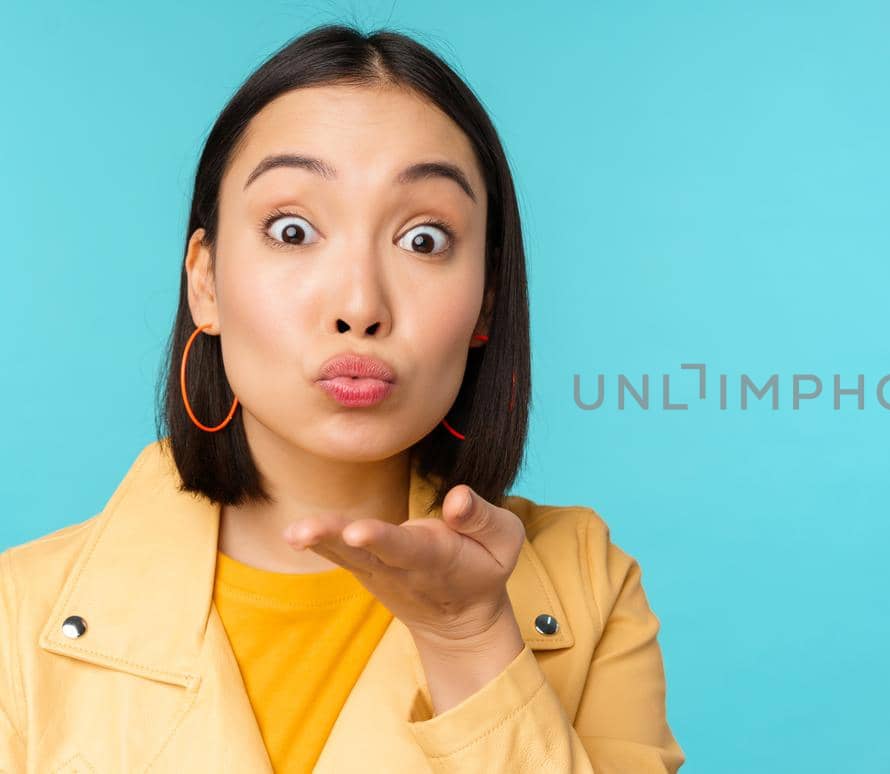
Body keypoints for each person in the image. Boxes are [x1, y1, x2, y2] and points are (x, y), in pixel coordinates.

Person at [0, 24, 685, 773]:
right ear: (205, 281)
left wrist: (471, 642)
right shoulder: (15, 614)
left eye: (424, 239)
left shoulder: (592, 584)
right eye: (292, 230)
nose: (360, 304)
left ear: (486, 302)